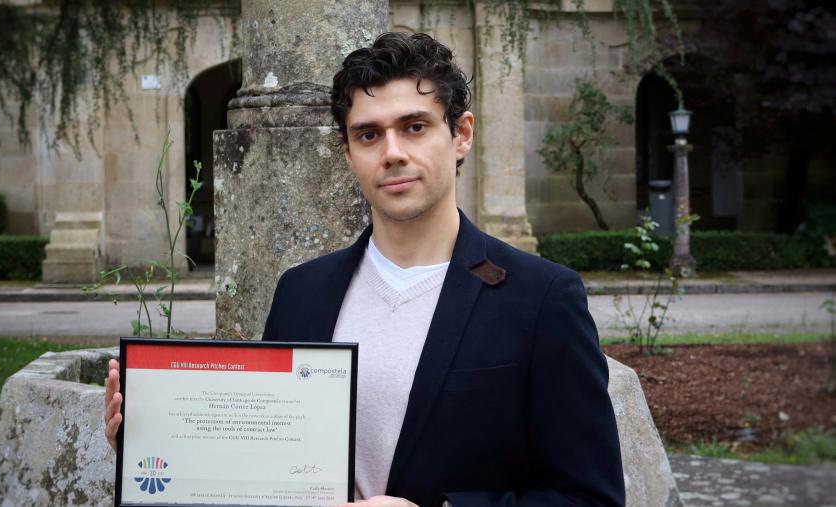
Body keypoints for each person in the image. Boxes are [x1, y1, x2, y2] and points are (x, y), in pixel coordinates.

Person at [106, 32, 624, 507]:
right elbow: (263, 462)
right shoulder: (302, 292)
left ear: (461, 134)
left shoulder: (541, 296)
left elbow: (589, 497)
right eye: (369, 135)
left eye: (415, 127)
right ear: (348, 153)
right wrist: (155, 441)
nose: (392, 152)